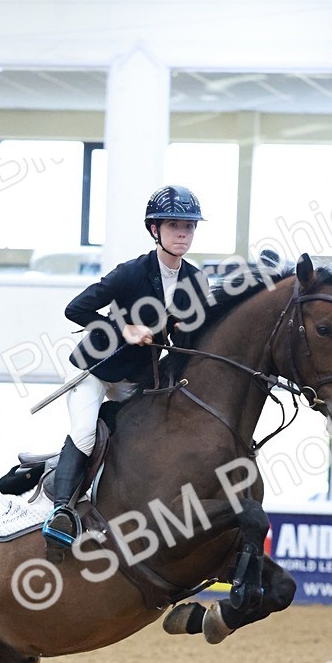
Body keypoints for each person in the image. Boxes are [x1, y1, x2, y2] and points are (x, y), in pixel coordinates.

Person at [43, 184, 210, 546]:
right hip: (94, 368)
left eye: (189, 226)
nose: (183, 233)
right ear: (155, 230)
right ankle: (61, 511)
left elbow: (190, 341)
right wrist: (125, 328)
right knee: (86, 432)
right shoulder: (130, 273)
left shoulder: (196, 280)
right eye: (173, 225)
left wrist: (185, 331)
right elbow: (76, 309)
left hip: (136, 378)